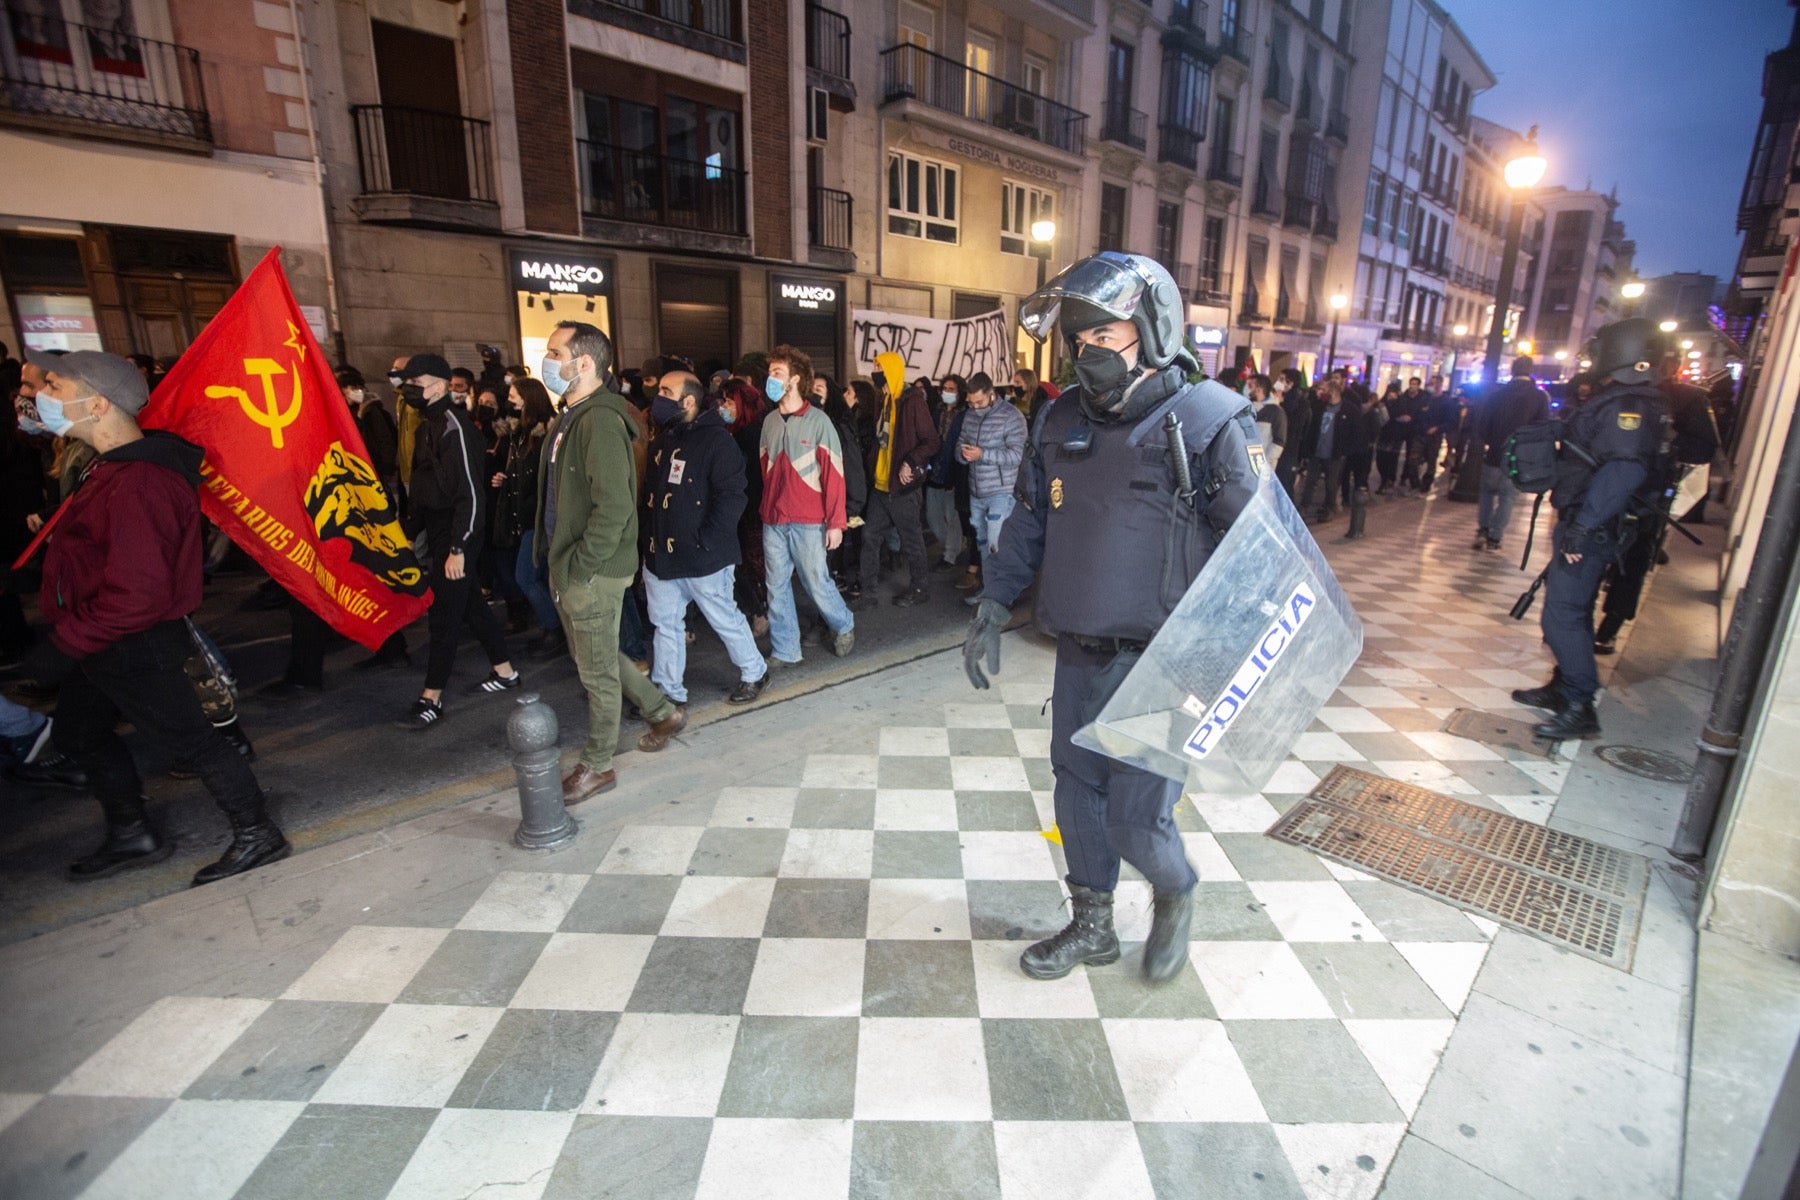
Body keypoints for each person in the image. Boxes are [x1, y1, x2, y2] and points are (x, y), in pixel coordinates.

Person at [965, 252, 1261, 985]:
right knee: (1077, 792)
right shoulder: (1061, 417)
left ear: (1154, 331)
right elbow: (1030, 518)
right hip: (1082, 652)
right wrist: (994, 600)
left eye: (1105, 338)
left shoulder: (1210, 420)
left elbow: (1257, 547)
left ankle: (1175, 891)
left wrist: (1238, 651)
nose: (1088, 355)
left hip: (1168, 661)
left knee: (1137, 818)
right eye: (1080, 341)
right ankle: (1092, 926)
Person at [22, 350, 291, 884]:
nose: (39, 397)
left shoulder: (140, 481)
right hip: (103, 641)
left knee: (197, 742)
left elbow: (137, 595)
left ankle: (257, 833)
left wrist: (64, 643)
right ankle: (131, 833)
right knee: (79, 733)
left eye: (54, 386)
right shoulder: (113, 468)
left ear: (97, 404)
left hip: (133, 642)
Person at [539, 322, 687, 804]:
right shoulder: (574, 415)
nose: (547, 361)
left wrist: (582, 566)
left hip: (592, 570)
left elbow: (615, 505)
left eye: (554, 352)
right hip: (574, 565)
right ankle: (661, 711)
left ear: (584, 363)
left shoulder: (600, 420)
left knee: (595, 673)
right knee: (594, 656)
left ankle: (598, 764)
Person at [1511, 320, 1668, 740]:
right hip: (1590, 522)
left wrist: (1583, 529)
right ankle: (1564, 688)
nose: (1592, 356)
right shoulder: (1620, 400)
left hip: (1594, 527)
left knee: (1561, 616)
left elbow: (1623, 471)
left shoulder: (1628, 406)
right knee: (1572, 613)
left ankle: (1580, 705)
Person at [393, 353, 521, 730]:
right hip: (439, 531)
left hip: (457, 533)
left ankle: (431, 697)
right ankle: (506, 672)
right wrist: (408, 531)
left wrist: (458, 547)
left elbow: (471, 494)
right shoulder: (427, 425)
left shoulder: (456, 427)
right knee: (470, 608)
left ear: (437, 386)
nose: (407, 390)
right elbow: (422, 487)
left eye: (414, 384)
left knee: (444, 617)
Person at [642, 370, 770, 705]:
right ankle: (668, 695)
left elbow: (732, 497)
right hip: (661, 558)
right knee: (666, 626)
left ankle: (755, 671)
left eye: (666, 391)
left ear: (688, 401)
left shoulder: (718, 441)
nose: (658, 397)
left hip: (705, 557)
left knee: (724, 618)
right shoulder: (663, 440)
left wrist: (708, 540)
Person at [759, 344, 856, 664]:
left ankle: (843, 623)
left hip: (809, 520)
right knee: (775, 587)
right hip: (774, 519)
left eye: (777, 373)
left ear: (794, 379)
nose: (770, 378)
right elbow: (765, 469)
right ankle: (786, 648)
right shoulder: (770, 422)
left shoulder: (819, 422)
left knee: (816, 581)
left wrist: (837, 523)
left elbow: (834, 476)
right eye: (770, 372)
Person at [855, 352, 940, 608]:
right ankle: (868, 593)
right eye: (874, 366)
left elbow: (932, 441)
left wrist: (911, 461)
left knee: (912, 541)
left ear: (891, 369)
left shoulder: (912, 402)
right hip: (881, 487)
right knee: (870, 537)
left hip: (902, 489)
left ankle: (919, 587)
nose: (874, 370)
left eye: (879, 366)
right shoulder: (884, 400)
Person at [492, 377, 565, 659]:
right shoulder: (519, 432)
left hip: (539, 517)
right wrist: (505, 478)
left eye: (514, 395)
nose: (510, 400)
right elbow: (520, 473)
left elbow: (546, 480)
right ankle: (554, 629)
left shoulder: (546, 434)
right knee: (538, 576)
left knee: (526, 576)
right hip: (524, 515)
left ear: (528, 397)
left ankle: (555, 627)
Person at [955, 371, 1026, 598]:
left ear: (991, 394)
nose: (975, 407)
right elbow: (959, 445)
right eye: (971, 402)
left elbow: (1017, 456)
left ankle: (1003, 595)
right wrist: (962, 455)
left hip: (1002, 492)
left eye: (979, 402)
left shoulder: (1011, 416)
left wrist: (982, 454)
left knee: (997, 546)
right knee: (984, 545)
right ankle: (991, 592)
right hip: (976, 492)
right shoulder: (969, 415)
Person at [1473, 357, 1552, 552]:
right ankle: (1495, 536)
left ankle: (1483, 528)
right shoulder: (1539, 397)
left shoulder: (1497, 394)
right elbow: (1542, 427)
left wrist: (1492, 442)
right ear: (1530, 371)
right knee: (1507, 497)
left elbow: (1483, 425)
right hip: (1518, 456)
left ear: (1512, 369)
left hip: (1494, 452)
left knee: (1487, 492)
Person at [923, 374, 967, 573]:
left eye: (952, 389)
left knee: (952, 517)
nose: (947, 392)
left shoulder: (965, 415)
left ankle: (950, 554)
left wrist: (957, 474)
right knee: (933, 518)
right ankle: (955, 546)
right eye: (945, 388)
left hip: (953, 471)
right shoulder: (937, 410)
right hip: (934, 470)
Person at [1247, 373, 1286, 471]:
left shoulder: (1276, 412)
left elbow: (1279, 442)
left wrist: (1264, 462)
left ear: (1259, 390)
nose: (1246, 389)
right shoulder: (1247, 408)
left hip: (1263, 467)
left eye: (1250, 386)